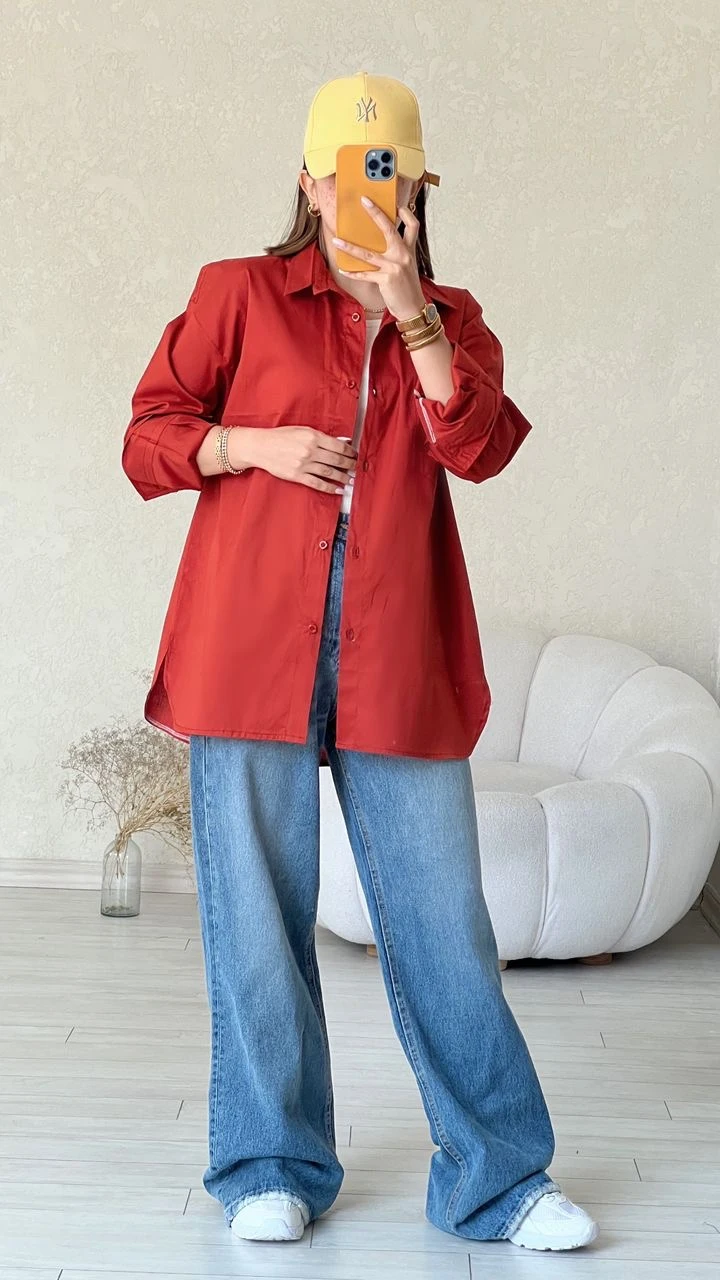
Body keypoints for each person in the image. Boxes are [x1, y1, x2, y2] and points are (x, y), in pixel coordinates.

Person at [122, 71, 598, 1253]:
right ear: (308, 182)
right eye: (352, 177)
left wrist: (411, 310)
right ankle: (269, 1161)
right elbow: (148, 438)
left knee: (444, 923)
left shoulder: (452, 315)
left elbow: (478, 446)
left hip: (398, 649)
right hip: (247, 649)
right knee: (255, 922)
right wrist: (254, 444)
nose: (377, 198)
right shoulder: (236, 294)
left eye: (399, 181)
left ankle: (499, 1179)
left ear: (423, 190)